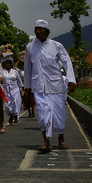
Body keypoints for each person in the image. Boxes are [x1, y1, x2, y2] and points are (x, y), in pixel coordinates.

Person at [24, 19, 76, 153]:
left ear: (47, 32)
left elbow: (67, 62)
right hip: (38, 85)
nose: (38, 31)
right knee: (42, 113)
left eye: (41, 29)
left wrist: (71, 79)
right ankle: (46, 142)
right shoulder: (30, 47)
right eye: (36, 29)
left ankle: (61, 138)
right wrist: (27, 86)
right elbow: (28, 68)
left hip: (56, 85)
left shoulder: (57, 45)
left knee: (57, 113)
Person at [0, 55, 24, 125]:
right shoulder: (2, 71)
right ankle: (10, 115)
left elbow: (19, 81)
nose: (7, 64)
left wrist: (23, 89)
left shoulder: (15, 72)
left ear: (11, 64)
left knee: (16, 103)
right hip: (6, 90)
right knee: (7, 105)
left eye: (8, 63)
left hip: (15, 89)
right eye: (5, 63)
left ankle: (16, 118)